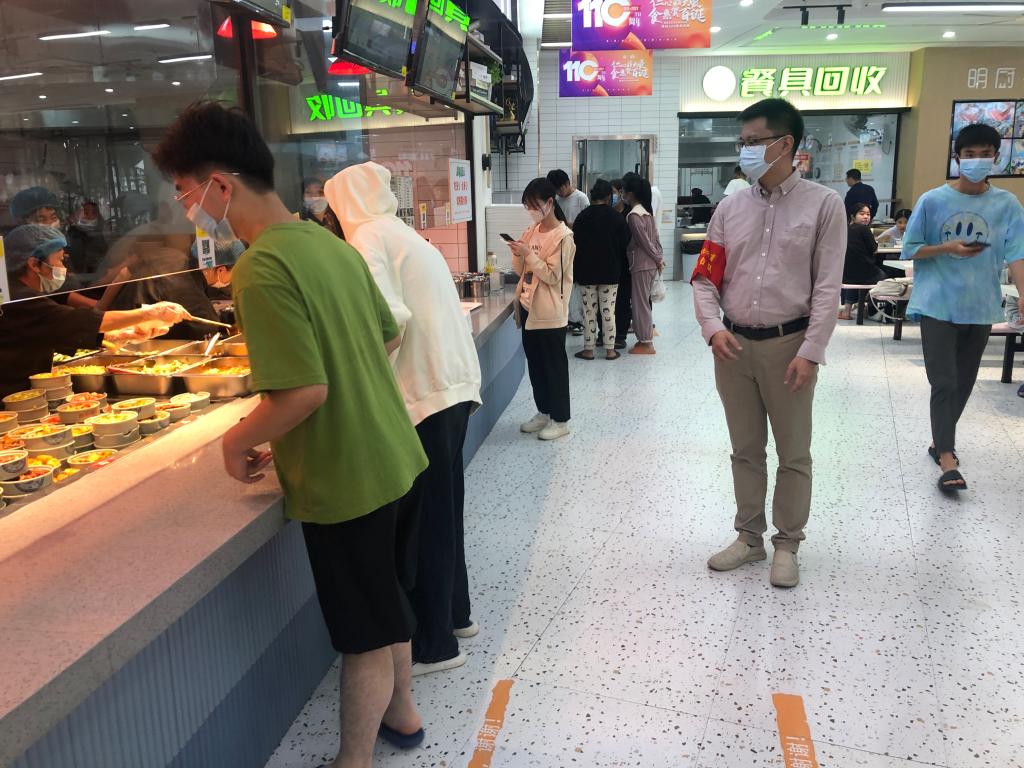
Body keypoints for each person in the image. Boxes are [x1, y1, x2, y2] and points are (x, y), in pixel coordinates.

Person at [153, 102, 431, 764]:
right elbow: (388, 335)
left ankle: (354, 761)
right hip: (396, 454)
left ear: (220, 185)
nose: (187, 207)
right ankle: (404, 715)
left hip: (346, 481)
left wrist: (236, 441)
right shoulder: (329, 244)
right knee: (386, 599)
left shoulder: (261, 267)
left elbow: (304, 393)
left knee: (362, 633)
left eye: (185, 192)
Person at [326, 162, 483, 677]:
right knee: (446, 511)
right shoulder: (404, 234)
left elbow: (388, 324)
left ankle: (435, 646)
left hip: (424, 394)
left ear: (343, 204)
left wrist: (353, 383)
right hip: (454, 387)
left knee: (425, 526)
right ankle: (456, 615)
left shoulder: (366, 239)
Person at [692, 98, 846, 588]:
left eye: (754, 142)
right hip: (733, 346)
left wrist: (811, 352)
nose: (746, 151)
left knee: (793, 452)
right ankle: (749, 537)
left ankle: (788, 543)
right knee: (745, 449)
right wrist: (712, 327)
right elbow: (705, 277)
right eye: (742, 143)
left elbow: (827, 289)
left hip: (789, 346)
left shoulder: (824, 205)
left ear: (786, 145)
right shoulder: (730, 207)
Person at [900, 122, 1024, 493]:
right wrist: (947, 248)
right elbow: (910, 249)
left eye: (985, 154)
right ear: (957, 158)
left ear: (996, 157)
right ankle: (947, 458)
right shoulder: (933, 201)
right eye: (969, 154)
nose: (977, 160)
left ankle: (940, 440)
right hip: (936, 303)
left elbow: (1017, 254)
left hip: (980, 305)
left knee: (965, 383)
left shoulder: (1007, 204)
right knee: (944, 381)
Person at [0, 224, 188, 397]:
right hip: (11, 398)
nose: (63, 268)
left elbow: (54, 332)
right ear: (34, 264)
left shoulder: (20, 294)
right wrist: (150, 313)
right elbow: (70, 321)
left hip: (23, 394)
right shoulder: (19, 299)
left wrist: (119, 335)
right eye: (59, 260)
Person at [506, 178, 575, 442]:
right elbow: (520, 270)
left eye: (534, 205)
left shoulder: (563, 237)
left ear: (549, 202)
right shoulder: (532, 230)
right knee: (536, 366)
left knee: (554, 368)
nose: (531, 211)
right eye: (527, 206)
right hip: (528, 307)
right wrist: (518, 252)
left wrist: (529, 254)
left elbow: (552, 275)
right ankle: (544, 412)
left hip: (550, 313)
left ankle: (561, 419)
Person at [571, 179, 630, 361]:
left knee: (589, 312)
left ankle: (588, 351)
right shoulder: (617, 218)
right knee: (608, 311)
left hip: (586, 272)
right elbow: (625, 243)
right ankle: (610, 351)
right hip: (610, 272)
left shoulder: (582, 217)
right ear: (608, 197)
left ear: (592, 196)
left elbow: (575, 243)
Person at [622, 175, 664, 355]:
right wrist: (659, 258)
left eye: (624, 191)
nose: (622, 194)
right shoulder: (647, 213)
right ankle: (645, 339)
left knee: (640, 304)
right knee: (644, 302)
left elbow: (644, 241)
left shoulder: (634, 215)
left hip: (640, 263)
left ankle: (646, 342)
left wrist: (658, 259)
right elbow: (655, 239)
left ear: (631, 193)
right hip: (649, 264)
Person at [547, 169, 588, 336]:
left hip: (578, 246)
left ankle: (579, 320)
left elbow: (586, 224)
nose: (558, 193)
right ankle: (568, 319)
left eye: (559, 188)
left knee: (576, 285)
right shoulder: (557, 201)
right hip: (561, 246)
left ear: (567, 183)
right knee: (564, 284)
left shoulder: (581, 198)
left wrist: (566, 225)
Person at [838, 202, 885, 321]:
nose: (866, 217)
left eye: (868, 214)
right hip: (865, 274)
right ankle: (870, 309)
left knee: (857, 277)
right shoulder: (864, 229)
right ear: (852, 216)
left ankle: (847, 311)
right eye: (862, 213)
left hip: (845, 275)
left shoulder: (845, 229)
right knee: (884, 277)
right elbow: (874, 249)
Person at [610, 178, 633, 350]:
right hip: (608, 263)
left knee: (623, 300)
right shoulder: (606, 214)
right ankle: (606, 334)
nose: (612, 197)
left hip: (625, 264)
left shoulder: (629, 214)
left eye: (614, 192)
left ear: (620, 193)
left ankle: (620, 335)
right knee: (606, 302)